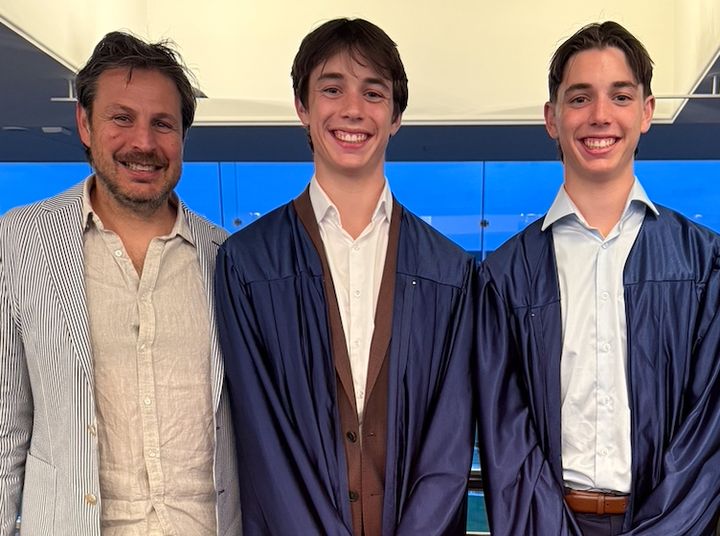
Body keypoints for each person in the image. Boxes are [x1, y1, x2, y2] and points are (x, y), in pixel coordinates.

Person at [215, 17, 475, 535]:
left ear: (396, 116)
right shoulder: (248, 264)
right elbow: (265, 444)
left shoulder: (451, 272)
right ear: (302, 109)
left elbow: (450, 443)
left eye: (373, 92)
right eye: (331, 89)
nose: (352, 110)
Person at [476, 20, 720, 536]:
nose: (600, 116)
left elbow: (709, 432)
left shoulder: (701, 266)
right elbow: (505, 437)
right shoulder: (505, 277)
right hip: (546, 523)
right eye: (580, 98)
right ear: (552, 117)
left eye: (621, 96)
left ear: (647, 112)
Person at [0, 32, 240, 535]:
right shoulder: (18, 244)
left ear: (182, 137)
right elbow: (5, 432)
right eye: (122, 118)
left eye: (162, 124)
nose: (143, 143)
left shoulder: (229, 261)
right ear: (85, 124)